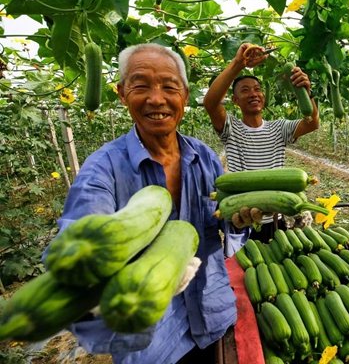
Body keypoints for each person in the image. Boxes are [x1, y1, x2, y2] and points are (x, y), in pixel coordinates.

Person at [42, 43, 236, 363]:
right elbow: (80, 233)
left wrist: (237, 220)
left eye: (169, 87)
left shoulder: (205, 158)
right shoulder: (102, 167)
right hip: (151, 343)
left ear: (185, 96)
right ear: (122, 94)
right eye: (141, 85)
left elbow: (223, 224)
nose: (156, 98)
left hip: (212, 315)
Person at [203, 43, 319, 247]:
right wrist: (238, 64)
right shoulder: (230, 128)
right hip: (241, 217)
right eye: (245, 90)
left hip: (276, 215)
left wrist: (306, 93)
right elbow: (211, 103)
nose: (253, 94)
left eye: (257, 89)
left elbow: (312, 122)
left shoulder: (279, 128)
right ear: (235, 100)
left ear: (263, 97)